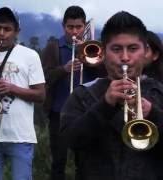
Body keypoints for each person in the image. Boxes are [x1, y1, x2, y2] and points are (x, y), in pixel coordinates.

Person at [60, 11, 163, 180]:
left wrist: (153, 114)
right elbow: (70, 141)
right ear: (104, 53)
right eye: (116, 49)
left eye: (133, 48)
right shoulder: (83, 94)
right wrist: (105, 105)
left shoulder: (158, 91)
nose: (125, 57)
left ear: (145, 51)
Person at [0, 7, 46, 180]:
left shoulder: (30, 55)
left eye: (7, 29)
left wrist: (11, 88)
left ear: (17, 31)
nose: (1, 33)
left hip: (20, 135)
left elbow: (41, 95)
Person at [41, 5, 103, 180]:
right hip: (58, 113)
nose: (74, 32)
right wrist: (64, 69)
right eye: (70, 27)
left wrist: (90, 55)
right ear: (63, 26)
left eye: (78, 27)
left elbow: (105, 75)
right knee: (58, 161)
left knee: (85, 163)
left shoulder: (93, 48)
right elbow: (44, 78)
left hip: (87, 112)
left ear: (84, 26)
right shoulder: (53, 47)